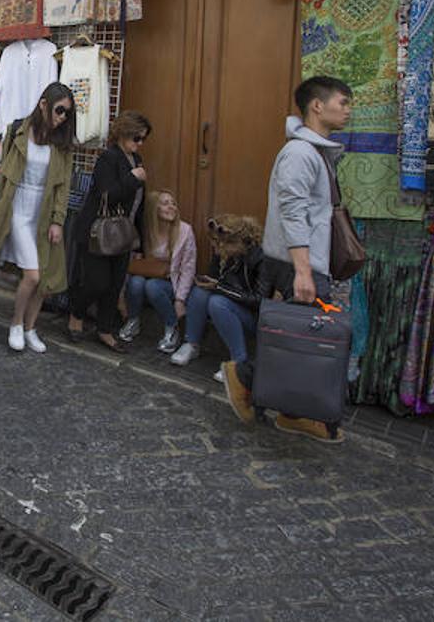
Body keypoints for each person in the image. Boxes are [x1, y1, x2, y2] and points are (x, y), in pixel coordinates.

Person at [223, 75, 352, 445]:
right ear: (317, 105)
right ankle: (246, 379)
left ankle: (292, 411)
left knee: (297, 338)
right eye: (342, 102)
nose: (347, 110)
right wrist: (303, 270)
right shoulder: (300, 153)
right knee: (310, 336)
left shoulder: (312, 151)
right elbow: (293, 210)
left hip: (301, 258)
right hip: (300, 260)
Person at [0, 82, 75, 354]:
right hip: (18, 208)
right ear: (44, 104)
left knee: (44, 278)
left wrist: (58, 220)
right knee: (33, 276)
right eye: (59, 110)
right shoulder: (17, 131)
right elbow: (3, 172)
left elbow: (63, 185)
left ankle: (30, 328)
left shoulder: (63, 145)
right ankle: (15, 323)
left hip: (45, 212)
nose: (62, 118)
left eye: (67, 114)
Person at [66, 111, 150, 354]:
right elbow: (108, 194)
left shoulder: (137, 160)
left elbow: (139, 204)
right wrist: (133, 179)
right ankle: (76, 314)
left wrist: (140, 242)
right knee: (97, 283)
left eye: (143, 139)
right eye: (137, 138)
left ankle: (105, 330)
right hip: (98, 231)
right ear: (123, 133)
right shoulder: (108, 158)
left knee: (114, 285)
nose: (140, 143)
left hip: (123, 233)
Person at [169, 214, 265, 380]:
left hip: (253, 316)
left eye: (225, 243)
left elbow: (258, 300)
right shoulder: (224, 254)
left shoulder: (259, 258)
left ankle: (239, 363)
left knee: (217, 302)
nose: (219, 247)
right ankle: (191, 344)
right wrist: (211, 282)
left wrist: (219, 287)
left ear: (239, 242)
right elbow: (215, 280)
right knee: (200, 293)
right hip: (231, 303)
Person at [120, 189, 197, 352]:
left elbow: (188, 269)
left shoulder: (185, 231)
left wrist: (180, 299)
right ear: (155, 208)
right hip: (147, 276)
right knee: (135, 282)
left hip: (170, 283)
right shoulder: (146, 230)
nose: (171, 207)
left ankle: (172, 327)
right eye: (165, 203)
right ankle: (133, 321)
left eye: (173, 203)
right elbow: (133, 259)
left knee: (152, 286)